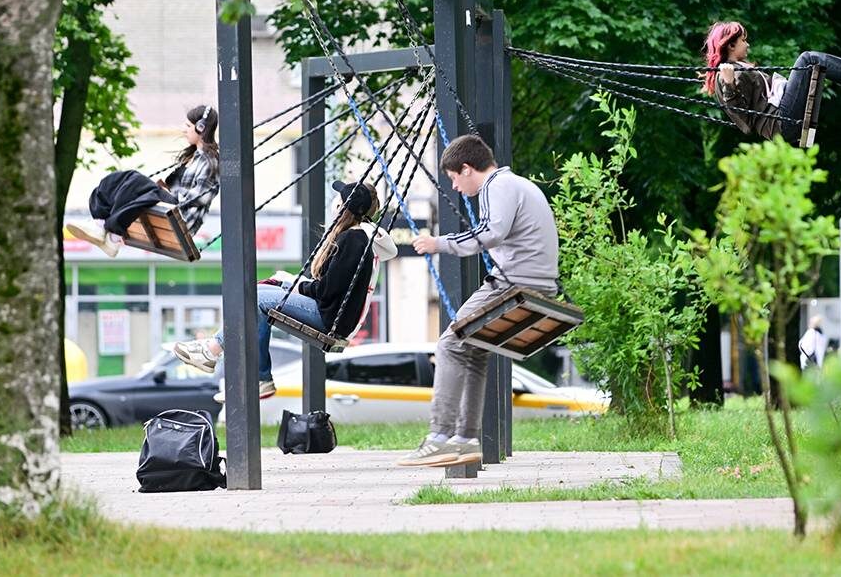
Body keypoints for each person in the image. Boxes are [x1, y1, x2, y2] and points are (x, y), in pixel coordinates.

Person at [397, 135, 560, 467]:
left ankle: (439, 436)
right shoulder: (519, 184)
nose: (455, 187)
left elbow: (491, 232)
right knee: (473, 350)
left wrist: (438, 243)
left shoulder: (497, 186)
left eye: (454, 178)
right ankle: (465, 439)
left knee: (448, 343)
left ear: (467, 169)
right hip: (538, 281)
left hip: (516, 282)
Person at [173, 181, 396, 399]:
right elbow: (331, 288)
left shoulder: (353, 239)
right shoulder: (356, 238)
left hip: (328, 319)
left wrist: (295, 285)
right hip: (330, 314)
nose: (334, 201)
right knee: (256, 300)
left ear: (341, 206)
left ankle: (213, 352)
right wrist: (290, 283)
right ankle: (253, 376)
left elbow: (327, 291)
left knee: (255, 297)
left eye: (338, 198)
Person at [702, 21, 841, 142]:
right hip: (781, 122)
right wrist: (728, 85)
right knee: (807, 59)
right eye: (743, 40)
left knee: (809, 62)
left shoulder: (741, 67)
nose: (747, 44)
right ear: (730, 45)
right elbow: (743, 121)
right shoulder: (725, 75)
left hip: (783, 116)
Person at [66, 105, 220, 257]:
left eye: (188, 126)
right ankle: (100, 225)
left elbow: (200, 197)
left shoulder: (209, 161)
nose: (183, 130)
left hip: (183, 217)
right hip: (174, 205)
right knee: (121, 178)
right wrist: (165, 187)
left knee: (137, 180)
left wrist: (167, 192)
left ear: (201, 128)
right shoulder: (192, 157)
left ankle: (112, 236)